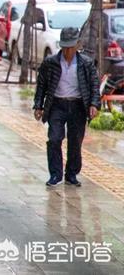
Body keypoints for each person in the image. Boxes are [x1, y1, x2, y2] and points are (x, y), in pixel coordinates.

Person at [33, 27, 100, 187]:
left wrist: (94, 104)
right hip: (57, 105)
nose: (67, 51)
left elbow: (94, 86)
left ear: (77, 45)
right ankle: (55, 174)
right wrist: (38, 105)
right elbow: (41, 85)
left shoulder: (86, 63)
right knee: (55, 138)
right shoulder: (50, 63)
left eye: (71, 47)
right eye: (65, 47)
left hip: (78, 105)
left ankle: (71, 174)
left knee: (75, 141)